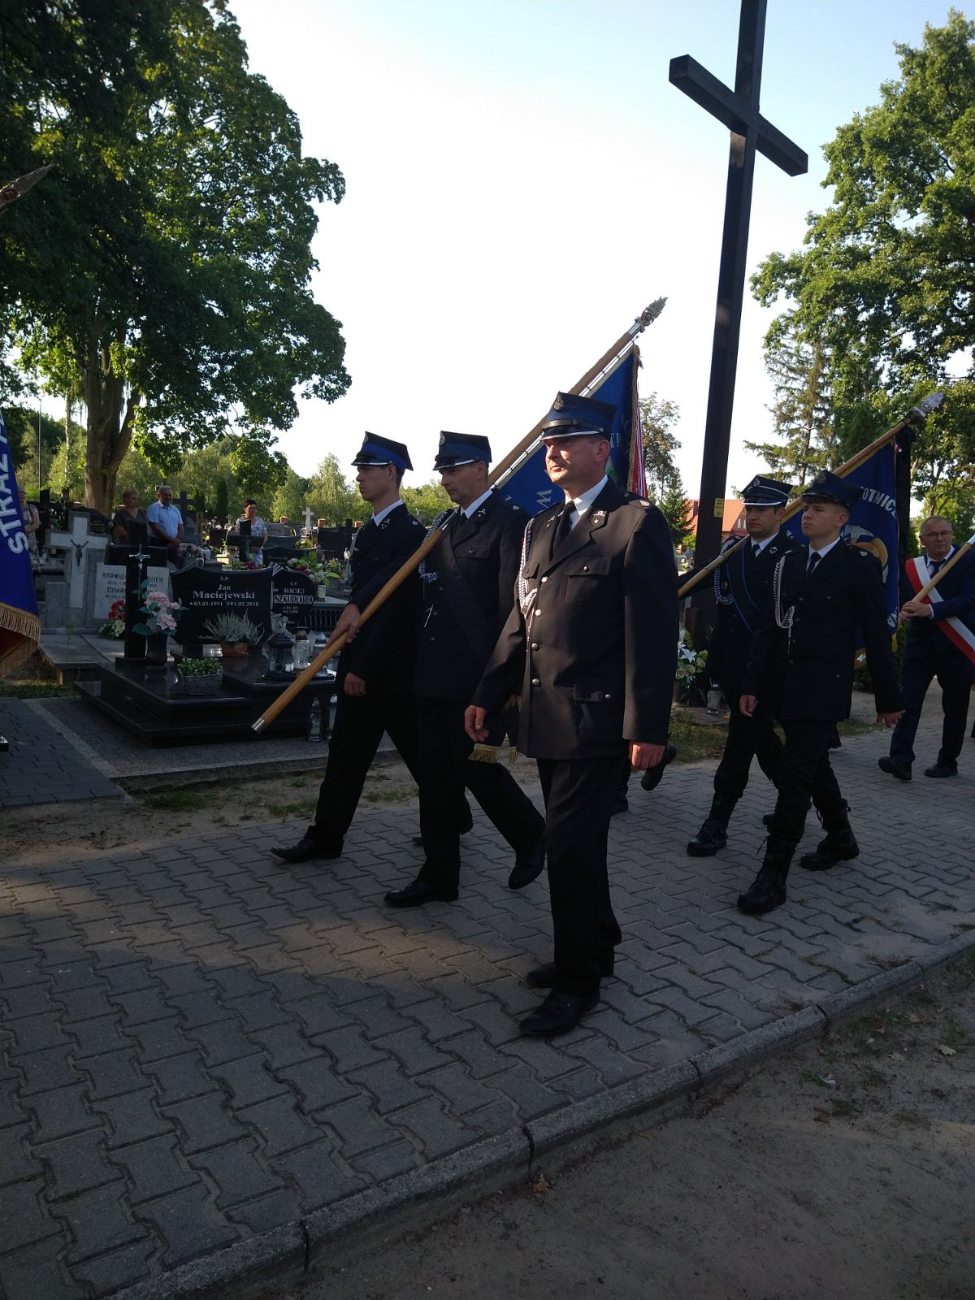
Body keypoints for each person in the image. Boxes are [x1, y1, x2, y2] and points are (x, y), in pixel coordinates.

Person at [466, 393, 678, 1036]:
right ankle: (597, 944)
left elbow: (653, 633)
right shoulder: (542, 528)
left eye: (568, 441)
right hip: (547, 715)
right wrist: (486, 691)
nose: (553, 453)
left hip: (599, 721)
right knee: (578, 845)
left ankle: (578, 977)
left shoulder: (634, 524)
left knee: (568, 847)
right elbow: (519, 621)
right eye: (548, 444)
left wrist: (649, 727)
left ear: (601, 450)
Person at [382, 432, 546, 908]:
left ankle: (531, 834)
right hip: (433, 676)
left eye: (454, 469)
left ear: (483, 468)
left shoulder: (511, 525)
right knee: (435, 783)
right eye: (442, 470)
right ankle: (439, 875)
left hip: (479, 681)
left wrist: (504, 686)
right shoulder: (444, 525)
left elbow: (511, 611)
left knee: (481, 770)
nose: (446, 479)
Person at [738, 472, 904, 916]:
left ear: (842, 518)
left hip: (823, 689)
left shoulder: (859, 566)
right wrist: (753, 684)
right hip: (787, 686)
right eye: (807, 507)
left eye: (818, 509)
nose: (807, 515)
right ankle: (841, 837)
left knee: (795, 778)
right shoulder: (789, 563)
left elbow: (875, 631)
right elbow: (770, 630)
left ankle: (773, 876)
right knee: (814, 767)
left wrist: (889, 699)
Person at [270, 434, 431, 864]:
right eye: (358, 469)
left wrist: (363, 668)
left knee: (423, 759)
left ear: (391, 473)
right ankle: (326, 837)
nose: (358, 477)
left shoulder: (411, 534)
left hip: (388, 672)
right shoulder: (370, 532)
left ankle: (451, 820)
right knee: (345, 758)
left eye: (367, 469)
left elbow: (397, 613)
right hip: (362, 663)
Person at [682, 476, 803, 856]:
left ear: (780, 513)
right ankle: (820, 810)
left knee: (739, 748)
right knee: (763, 742)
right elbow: (701, 578)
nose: (752, 516)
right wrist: (664, 589)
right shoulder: (734, 550)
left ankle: (716, 824)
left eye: (761, 510)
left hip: (766, 669)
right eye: (749, 509)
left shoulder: (791, 555)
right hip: (734, 666)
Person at [879, 516, 975, 781]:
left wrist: (930, 609)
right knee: (907, 702)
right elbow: (898, 599)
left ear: (952, 534)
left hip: (958, 645)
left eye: (945, 533)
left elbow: (969, 599)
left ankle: (947, 761)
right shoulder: (912, 568)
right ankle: (900, 760)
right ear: (922, 540)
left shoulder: (968, 560)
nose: (940, 539)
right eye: (933, 535)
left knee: (955, 707)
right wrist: (898, 612)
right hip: (921, 648)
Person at [146, 484, 184, 558]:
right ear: (159, 495)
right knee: (159, 568)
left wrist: (176, 541)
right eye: (165, 495)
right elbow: (155, 528)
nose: (168, 497)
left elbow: (181, 527)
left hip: (174, 545)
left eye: (170, 495)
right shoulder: (153, 508)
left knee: (175, 568)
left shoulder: (175, 510)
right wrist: (172, 541)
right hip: (158, 544)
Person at [236, 499, 268, 564]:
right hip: (245, 552)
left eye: (255, 508)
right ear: (245, 509)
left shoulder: (260, 521)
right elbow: (238, 536)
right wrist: (249, 547)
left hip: (258, 552)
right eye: (250, 508)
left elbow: (265, 535)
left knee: (258, 569)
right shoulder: (240, 521)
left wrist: (259, 545)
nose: (253, 510)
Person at [18, 487, 39, 556]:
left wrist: (23, 531)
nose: (22, 495)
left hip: (30, 545)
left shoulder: (32, 508)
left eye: (24, 493)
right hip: (16, 544)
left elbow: (36, 524)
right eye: (19, 492)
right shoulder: (11, 510)